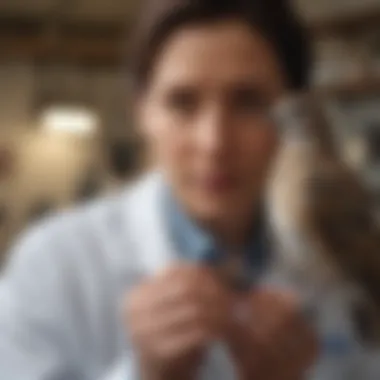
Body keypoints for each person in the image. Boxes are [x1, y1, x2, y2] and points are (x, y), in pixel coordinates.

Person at [0, 0, 322, 379]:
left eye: (248, 102)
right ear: (142, 113)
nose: (214, 142)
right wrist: (143, 373)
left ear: (294, 113)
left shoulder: (339, 272)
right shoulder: (53, 265)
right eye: (182, 103)